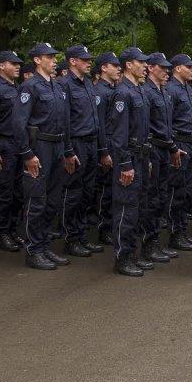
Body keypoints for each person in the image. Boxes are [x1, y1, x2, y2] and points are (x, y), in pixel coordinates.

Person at [14, 42, 73, 270]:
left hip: (58, 147)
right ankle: (33, 250)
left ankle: (45, 245)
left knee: (53, 201)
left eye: (54, 56)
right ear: (37, 60)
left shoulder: (58, 87)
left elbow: (66, 123)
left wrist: (68, 151)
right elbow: (19, 125)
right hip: (40, 148)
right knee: (36, 202)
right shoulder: (30, 87)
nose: (54, 60)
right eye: (49, 57)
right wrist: (28, 154)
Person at [58, 45, 109, 257]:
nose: (89, 63)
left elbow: (95, 119)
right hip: (76, 143)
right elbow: (64, 121)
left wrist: (100, 148)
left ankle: (81, 236)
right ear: (72, 61)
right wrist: (68, 150)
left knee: (88, 192)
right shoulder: (65, 85)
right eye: (85, 60)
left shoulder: (87, 83)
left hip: (90, 143)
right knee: (73, 193)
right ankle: (71, 238)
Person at [109, 47, 153, 277]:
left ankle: (132, 253)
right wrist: (125, 164)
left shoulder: (140, 91)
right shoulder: (123, 93)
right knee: (126, 208)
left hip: (141, 156)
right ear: (129, 65)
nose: (145, 65)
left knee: (138, 207)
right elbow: (119, 134)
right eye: (141, 62)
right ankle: (122, 257)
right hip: (129, 158)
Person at [139, 52, 182, 264]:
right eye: (162, 68)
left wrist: (173, 147)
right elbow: (147, 126)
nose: (166, 72)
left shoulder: (164, 92)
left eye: (168, 68)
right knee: (151, 198)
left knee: (161, 197)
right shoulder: (146, 92)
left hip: (165, 149)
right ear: (151, 68)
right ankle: (149, 243)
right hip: (153, 149)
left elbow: (167, 126)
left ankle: (155, 241)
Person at [0, 50, 25, 252]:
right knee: (4, 191)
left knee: (18, 192)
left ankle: (11, 228)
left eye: (19, 63)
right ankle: (2, 231)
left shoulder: (17, 88)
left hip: (18, 145)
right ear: (1, 66)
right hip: (3, 145)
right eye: (14, 63)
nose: (18, 66)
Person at [166, 53, 192, 251]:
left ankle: (182, 231)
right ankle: (175, 233)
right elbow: (167, 122)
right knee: (176, 191)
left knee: (188, 191)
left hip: (190, 143)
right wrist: (173, 147)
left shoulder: (188, 89)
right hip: (179, 143)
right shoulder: (171, 89)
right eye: (189, 67)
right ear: (178, 68)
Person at [92, 52, 121, 245]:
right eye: (114, 65)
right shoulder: (100, 92)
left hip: (115, 142)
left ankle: (111, 226)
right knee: (106, 189)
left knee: (114, 188)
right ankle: (104, 228)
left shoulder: (113, 90)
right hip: (107, 143)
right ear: (103, 68)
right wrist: (104, 151)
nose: (119, 68)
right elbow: (100, 124)